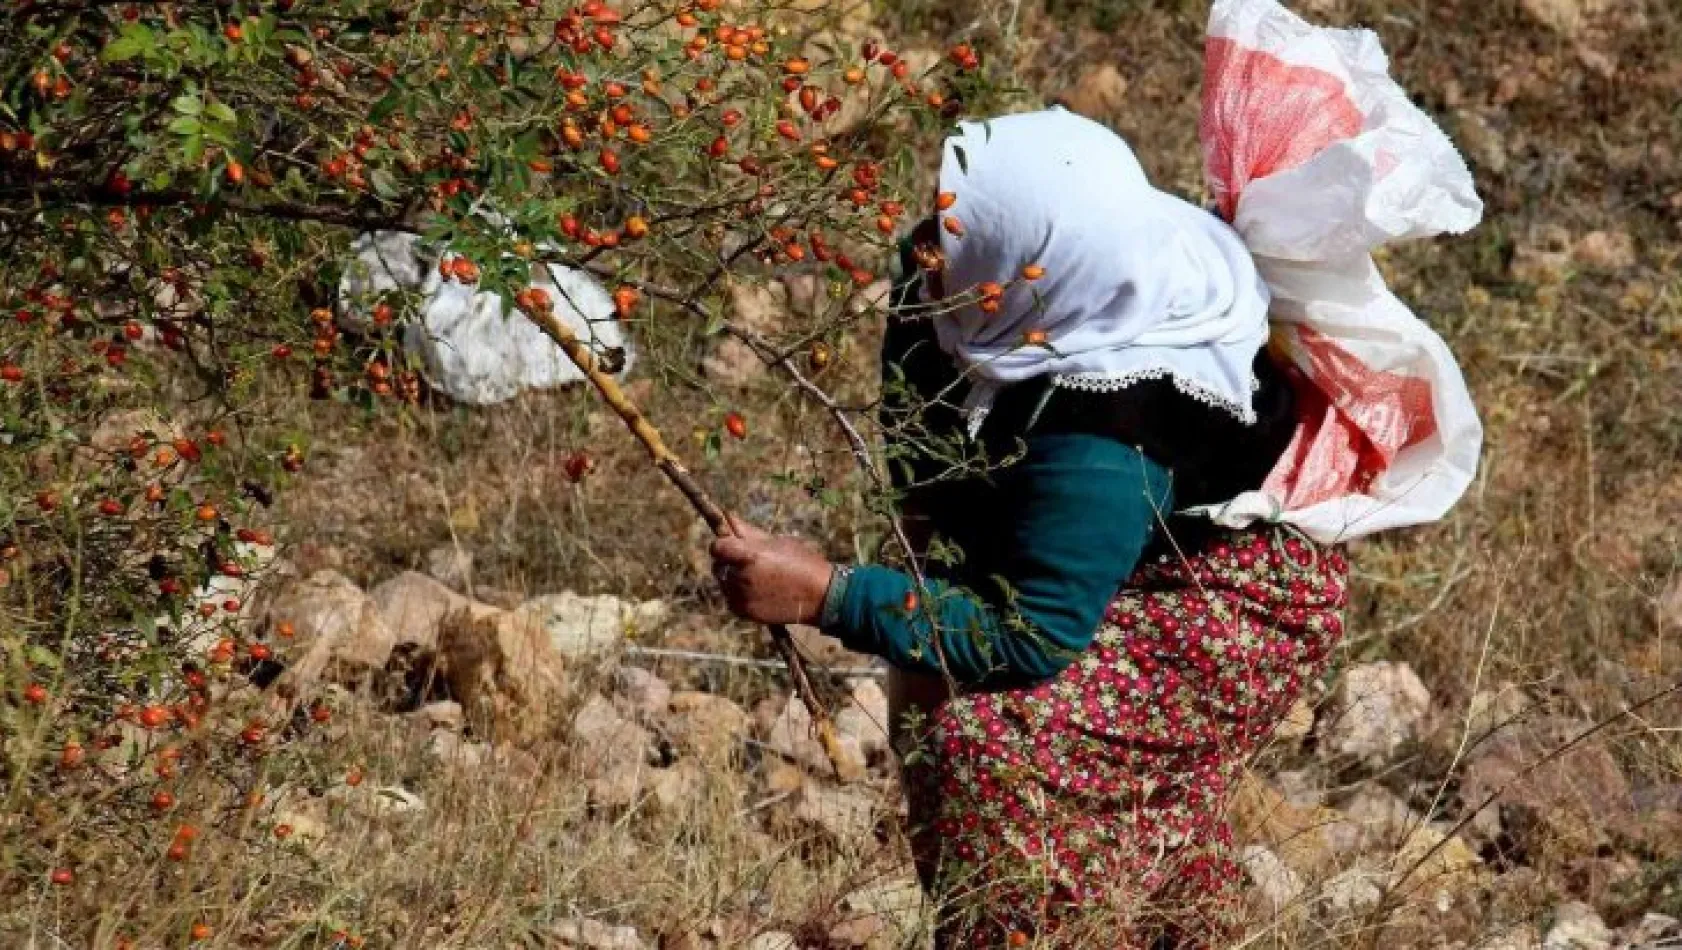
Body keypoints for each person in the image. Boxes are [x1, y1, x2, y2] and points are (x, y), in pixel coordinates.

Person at [711, 7, 1483, 940]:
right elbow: (921, 401)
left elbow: (1032, 636)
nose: (934, 258)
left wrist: (830, 594)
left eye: (961, 257)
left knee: (995, 742)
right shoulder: (974, 263)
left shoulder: (1113, 429)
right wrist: (912, 570)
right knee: (944, 688)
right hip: (1113, 535)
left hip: (1231, 595)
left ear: (1039, 290)